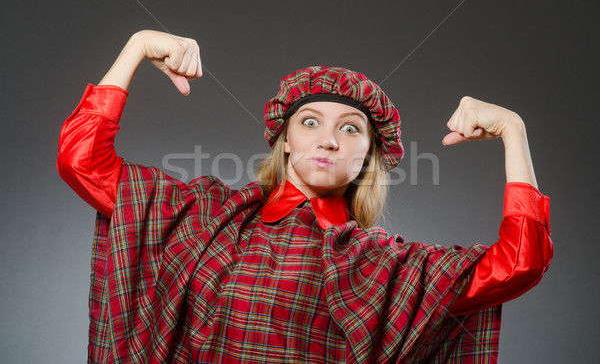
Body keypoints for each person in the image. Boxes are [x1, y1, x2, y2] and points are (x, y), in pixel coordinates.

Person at [57, 30, 553, 363]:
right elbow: (81, 160)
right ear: (286, 138)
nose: (328, 139)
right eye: (310, 122)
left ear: (370, 155)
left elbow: (519, 263)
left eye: (351, 129)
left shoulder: (386, 268)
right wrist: (137, 46)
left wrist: (514, 131)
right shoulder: (204, 216)